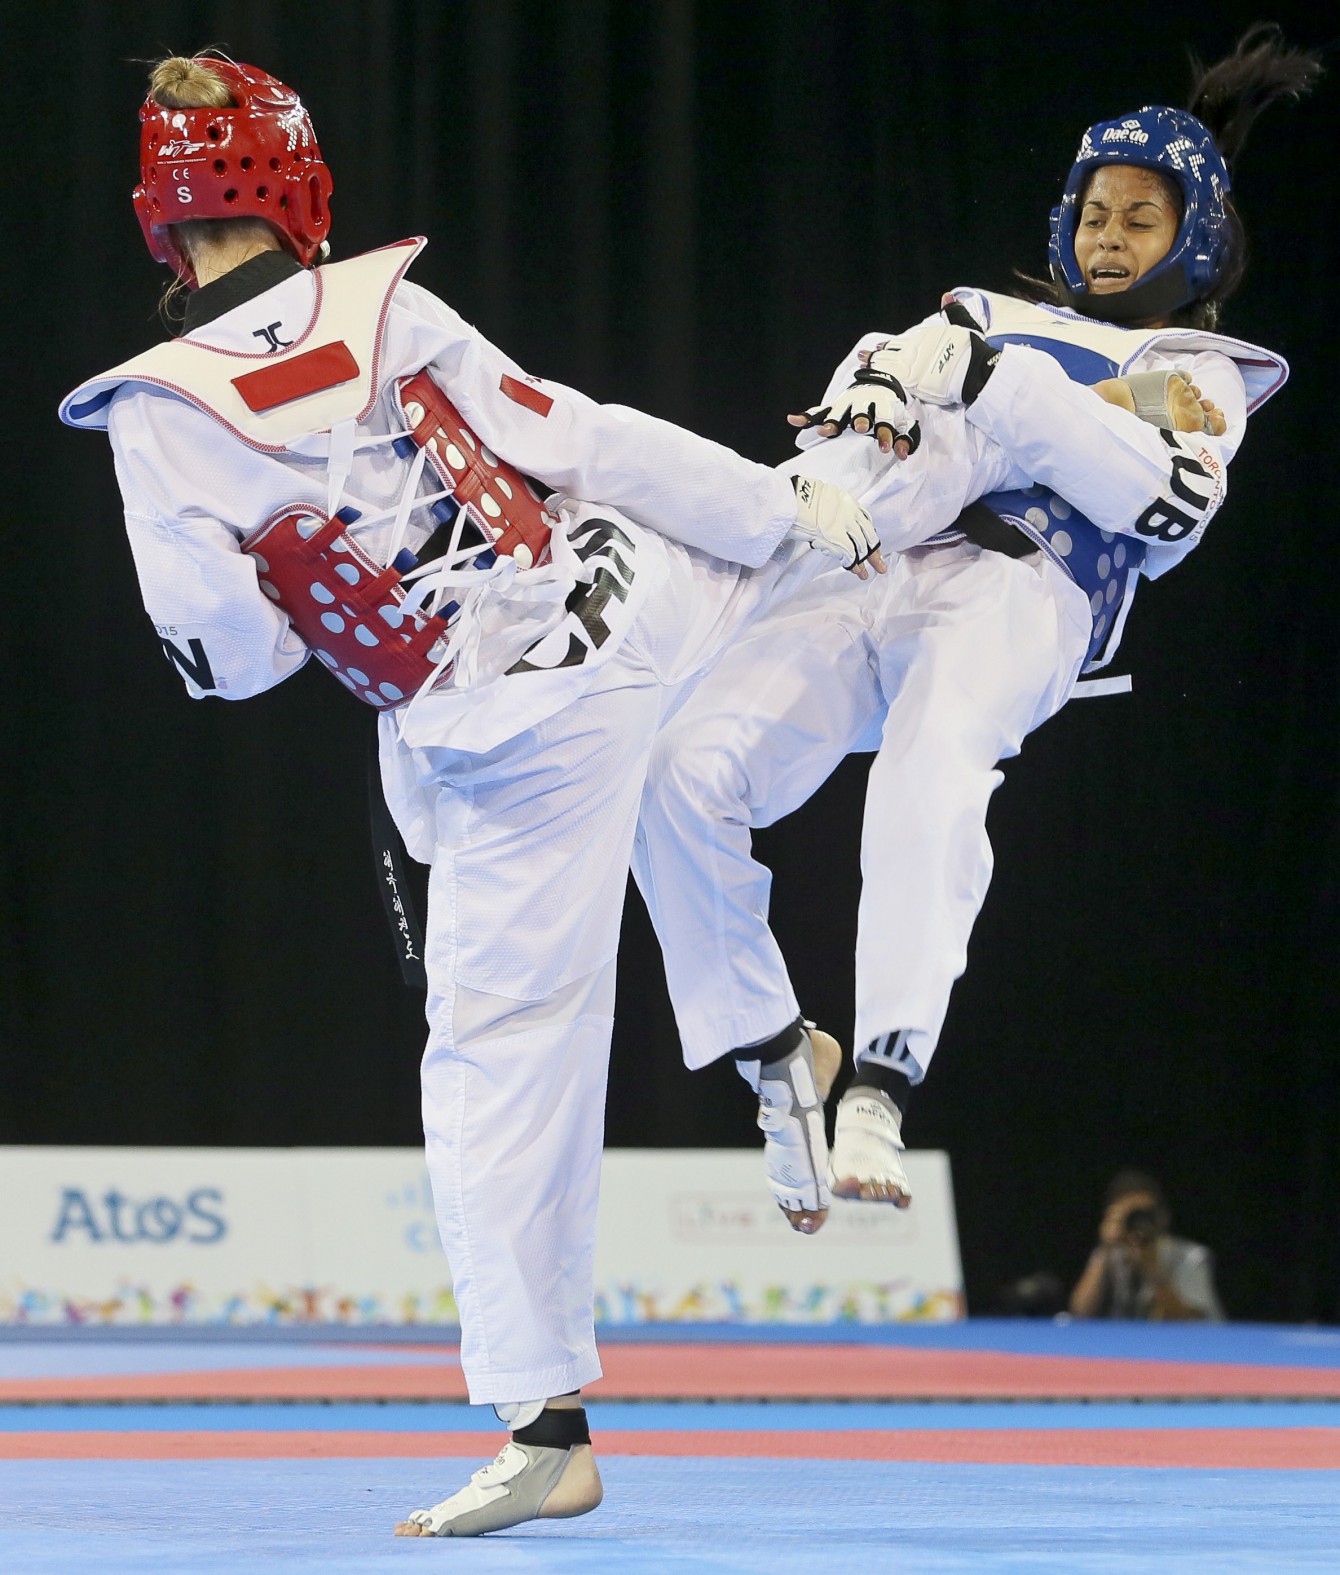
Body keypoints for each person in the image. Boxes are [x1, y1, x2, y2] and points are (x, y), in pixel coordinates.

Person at [59, 54, 888, 1537]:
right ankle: (777, 1030)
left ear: (158, 220)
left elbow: (230, 667)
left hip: (509, 731)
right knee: (749, 725)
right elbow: (582, 433)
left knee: (502, 1050)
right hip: (638, 589)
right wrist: (783, 509)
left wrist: (300, 583)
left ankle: (545, 1420)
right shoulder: (390, 300)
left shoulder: (156, 413)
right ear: (300, 186)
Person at [633, 25, 1317, 1228]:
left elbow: (1163, 498)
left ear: (1193, 238)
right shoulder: (975, 309)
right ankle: (775, 1051)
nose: (1106, 239)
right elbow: (870, 399)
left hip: (1024, 593)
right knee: (678, 766)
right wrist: (879, 394)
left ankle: (884, 1083)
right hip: (875, 568)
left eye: (1138, 221)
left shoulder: (1187, 367)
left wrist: (992, 378)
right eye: (1094, 214)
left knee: (935, 758)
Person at [1070, 1171, 1225, 1320]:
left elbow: (1184, 1322)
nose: (1138, 1224)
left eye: (1144, 1215)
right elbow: (1080, 1312)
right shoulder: (1110, 1254)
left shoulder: (1189, 1256)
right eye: (1130, 1217)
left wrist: (1152, 1269)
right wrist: (1105, 1247)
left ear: (1163, 1217)